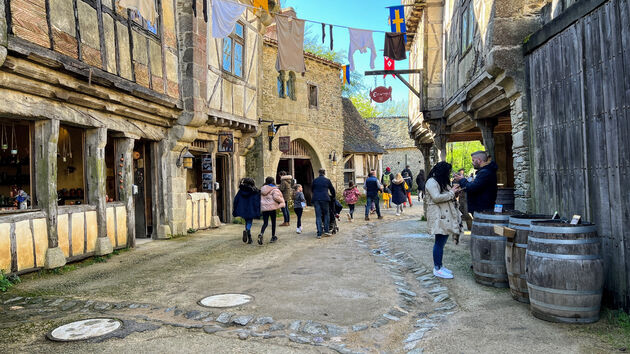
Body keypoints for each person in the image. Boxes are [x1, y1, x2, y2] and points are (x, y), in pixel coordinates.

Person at [426, 161, 462, 279]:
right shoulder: (432, 182)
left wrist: (455, 192)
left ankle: (440, 266)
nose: (449, 174)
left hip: (444, 215)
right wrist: (452, 192)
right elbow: (436, 197)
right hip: (438, 216)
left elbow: (447, 195)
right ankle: (437, 268)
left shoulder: (440, 181)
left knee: (442, 242)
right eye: (448, 172)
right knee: (439, 242)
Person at [232, 178, 261, 244]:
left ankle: (249, 238)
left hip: (242, 209)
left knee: (246, 221)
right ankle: (247, 231)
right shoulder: (255, 191)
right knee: (249, 222)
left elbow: (236, 199)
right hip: (251, 209)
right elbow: (257, 201)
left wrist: (235, 208)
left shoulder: (241, 190)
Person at [258, 177, 285, 245]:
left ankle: (261, 233)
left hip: (264, 208)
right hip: (272, 208)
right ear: (273, 181)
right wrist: (282, 201)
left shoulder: (262, 188)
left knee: (265, 223)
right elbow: (276, 197)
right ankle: (273, 237)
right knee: (273, 222)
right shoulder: (274, 189)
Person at [311, 168, 335, 238]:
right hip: (325, 198)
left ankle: (319, 233)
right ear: (324, 173)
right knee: (326, 214)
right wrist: (333, 197)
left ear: (319, 173)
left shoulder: (315, 180)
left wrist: (316, 194)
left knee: (318, 216)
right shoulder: (327, 180)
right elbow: (332, 189)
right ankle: (326, 231)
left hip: (316, 199)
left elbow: (312, 189)